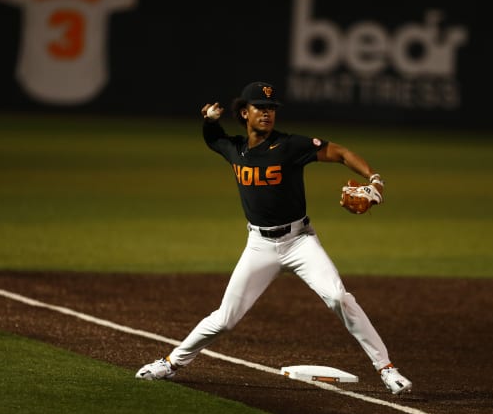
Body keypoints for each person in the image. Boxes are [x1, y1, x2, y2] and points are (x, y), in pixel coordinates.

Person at [136, 81, 412, 394]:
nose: (267, 113)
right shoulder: (236, 149)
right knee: (225, 319)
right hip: (260, 246)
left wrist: (374, 178)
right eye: (260, 108)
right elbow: (214, 140)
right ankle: (171, 363)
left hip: (300, 241)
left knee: (339, 297)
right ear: (245, 112)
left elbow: (341, 153)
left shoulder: (290, 145)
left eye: (271, 109)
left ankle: (386, 368)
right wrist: (209, 120)